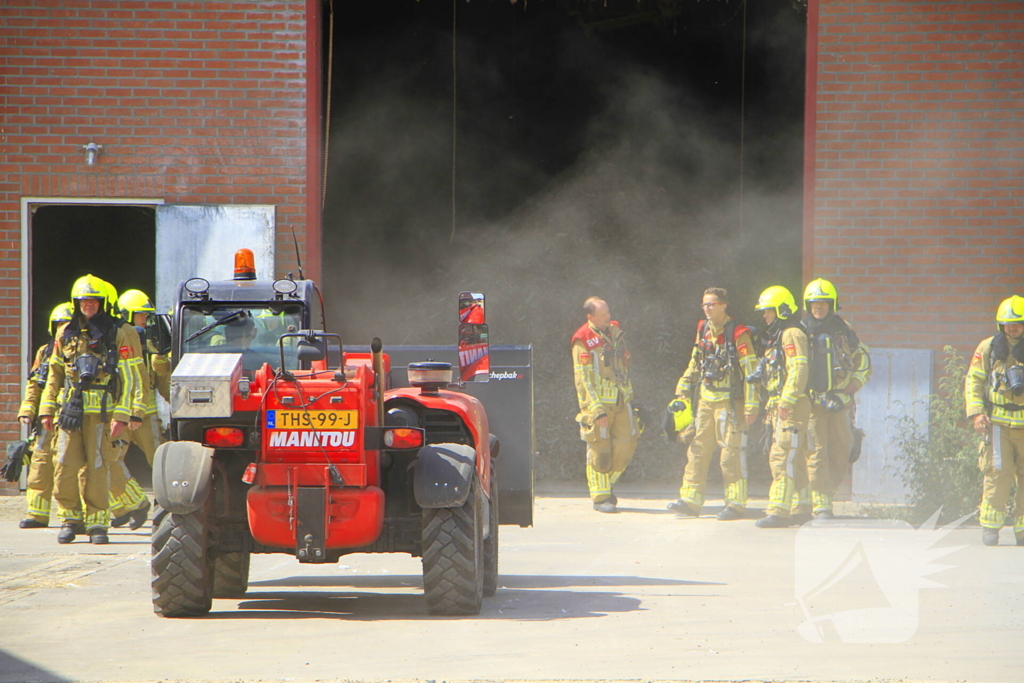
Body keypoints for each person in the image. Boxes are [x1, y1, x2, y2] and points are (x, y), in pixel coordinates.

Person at [39, 275, 142, 544]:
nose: (88, 305)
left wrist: (122, 415)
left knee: (98, 468)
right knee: (64, 465)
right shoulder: (64, 333)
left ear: (101, 303)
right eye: (84, 300)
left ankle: (98, 524)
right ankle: (70, 520)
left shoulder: (116, 332)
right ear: (76, 302)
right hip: (69, 413)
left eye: (93, 300)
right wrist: (46, 410)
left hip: (103, 415)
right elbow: (54, 374)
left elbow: (130, 378)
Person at [666, 288, 759, 520]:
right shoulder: (703, 330)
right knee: (697, 450)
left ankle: (735, 504)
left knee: (730, 455)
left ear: (723, 306)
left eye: (711, 304)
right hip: (706, 402)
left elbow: (751, 373)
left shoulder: (738, 334)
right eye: (704, 305)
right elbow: (694, 363)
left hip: (729, 404)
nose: (707, 309)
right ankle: (690, 501)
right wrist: (682, 390)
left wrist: (751, 406)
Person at [798, 278, 871, 521]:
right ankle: (822, 505)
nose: (818, 308)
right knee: (817, 451)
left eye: (823, 303)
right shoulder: (800, 330)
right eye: (814, 304)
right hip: (813, 402)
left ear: (832, 304)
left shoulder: (843, 329)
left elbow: (863, 358)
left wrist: (857, 382)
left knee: (843, 449)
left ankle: (827, 493)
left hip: (841, 402)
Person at [965, 295, 1024, 546]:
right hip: (998, 423)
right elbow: (974, 379)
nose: (1013, 327)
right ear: (1000, 325)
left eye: (1018, 323)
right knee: (998, 472)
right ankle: (991, 526)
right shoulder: (988, 348)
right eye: (1008, 323)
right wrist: (977, 412)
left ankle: (1022, 528)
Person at [751, 286, 811, 528]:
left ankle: (778, 511)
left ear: (782, 310)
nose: (765, 316)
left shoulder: (791, 334)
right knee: (794, 458)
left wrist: (786, 400)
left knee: (782, 457)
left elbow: (799, 369)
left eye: (769, 311)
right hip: (781, 404)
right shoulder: (779, 336)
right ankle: (803, 507)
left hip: (791, 404)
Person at [571, 297, 638, 513]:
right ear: (590, 317)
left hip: (621, 400)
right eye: (603, 314)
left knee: (627, 443)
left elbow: (623, 366)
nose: (608, 317)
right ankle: (601, 497)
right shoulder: (582, 339)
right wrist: (596, 409)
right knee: (599, 450)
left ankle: (607, 486)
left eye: (608, 312)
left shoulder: (614, 332)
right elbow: (583, 379)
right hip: (599, 405)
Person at [15, 302, 74, 528]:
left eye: (66, 325)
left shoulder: (82, 350)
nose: (62, 329)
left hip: (70, 417)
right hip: (47, 417)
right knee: (40, 462)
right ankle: (36, 515)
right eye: (59, 324)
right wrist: (27, 410)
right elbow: (35, 384)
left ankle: (72, 516)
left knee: (67, 467)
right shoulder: (45, 352)